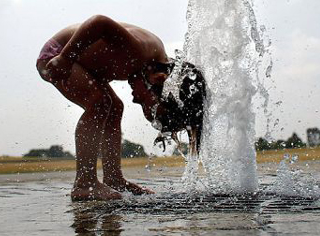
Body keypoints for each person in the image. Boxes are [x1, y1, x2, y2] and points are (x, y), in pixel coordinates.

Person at [35, 15, 207, 201]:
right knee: (100, 104)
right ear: (159, 80)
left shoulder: (150, 63)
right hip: (58, 56)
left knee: (115, 107)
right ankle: (84, 183)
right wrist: (65, 58)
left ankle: (113, 178)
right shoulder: (139, 51)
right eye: (143, 102)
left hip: (76, 61)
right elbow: (99, 23)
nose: (136, 101)